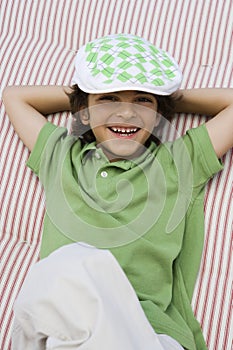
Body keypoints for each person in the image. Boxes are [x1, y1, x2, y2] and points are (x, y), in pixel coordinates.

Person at [2, 34, 233, 350]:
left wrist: (164, 97)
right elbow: (14, 96)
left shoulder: (177, 163)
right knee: (60, 270)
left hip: (148, 333)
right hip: (62, 326)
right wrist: (83, 95)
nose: (126, 114)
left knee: (70, 263)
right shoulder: (62, 159)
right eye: (109, 99)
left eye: (142, 101)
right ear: (83, 114)